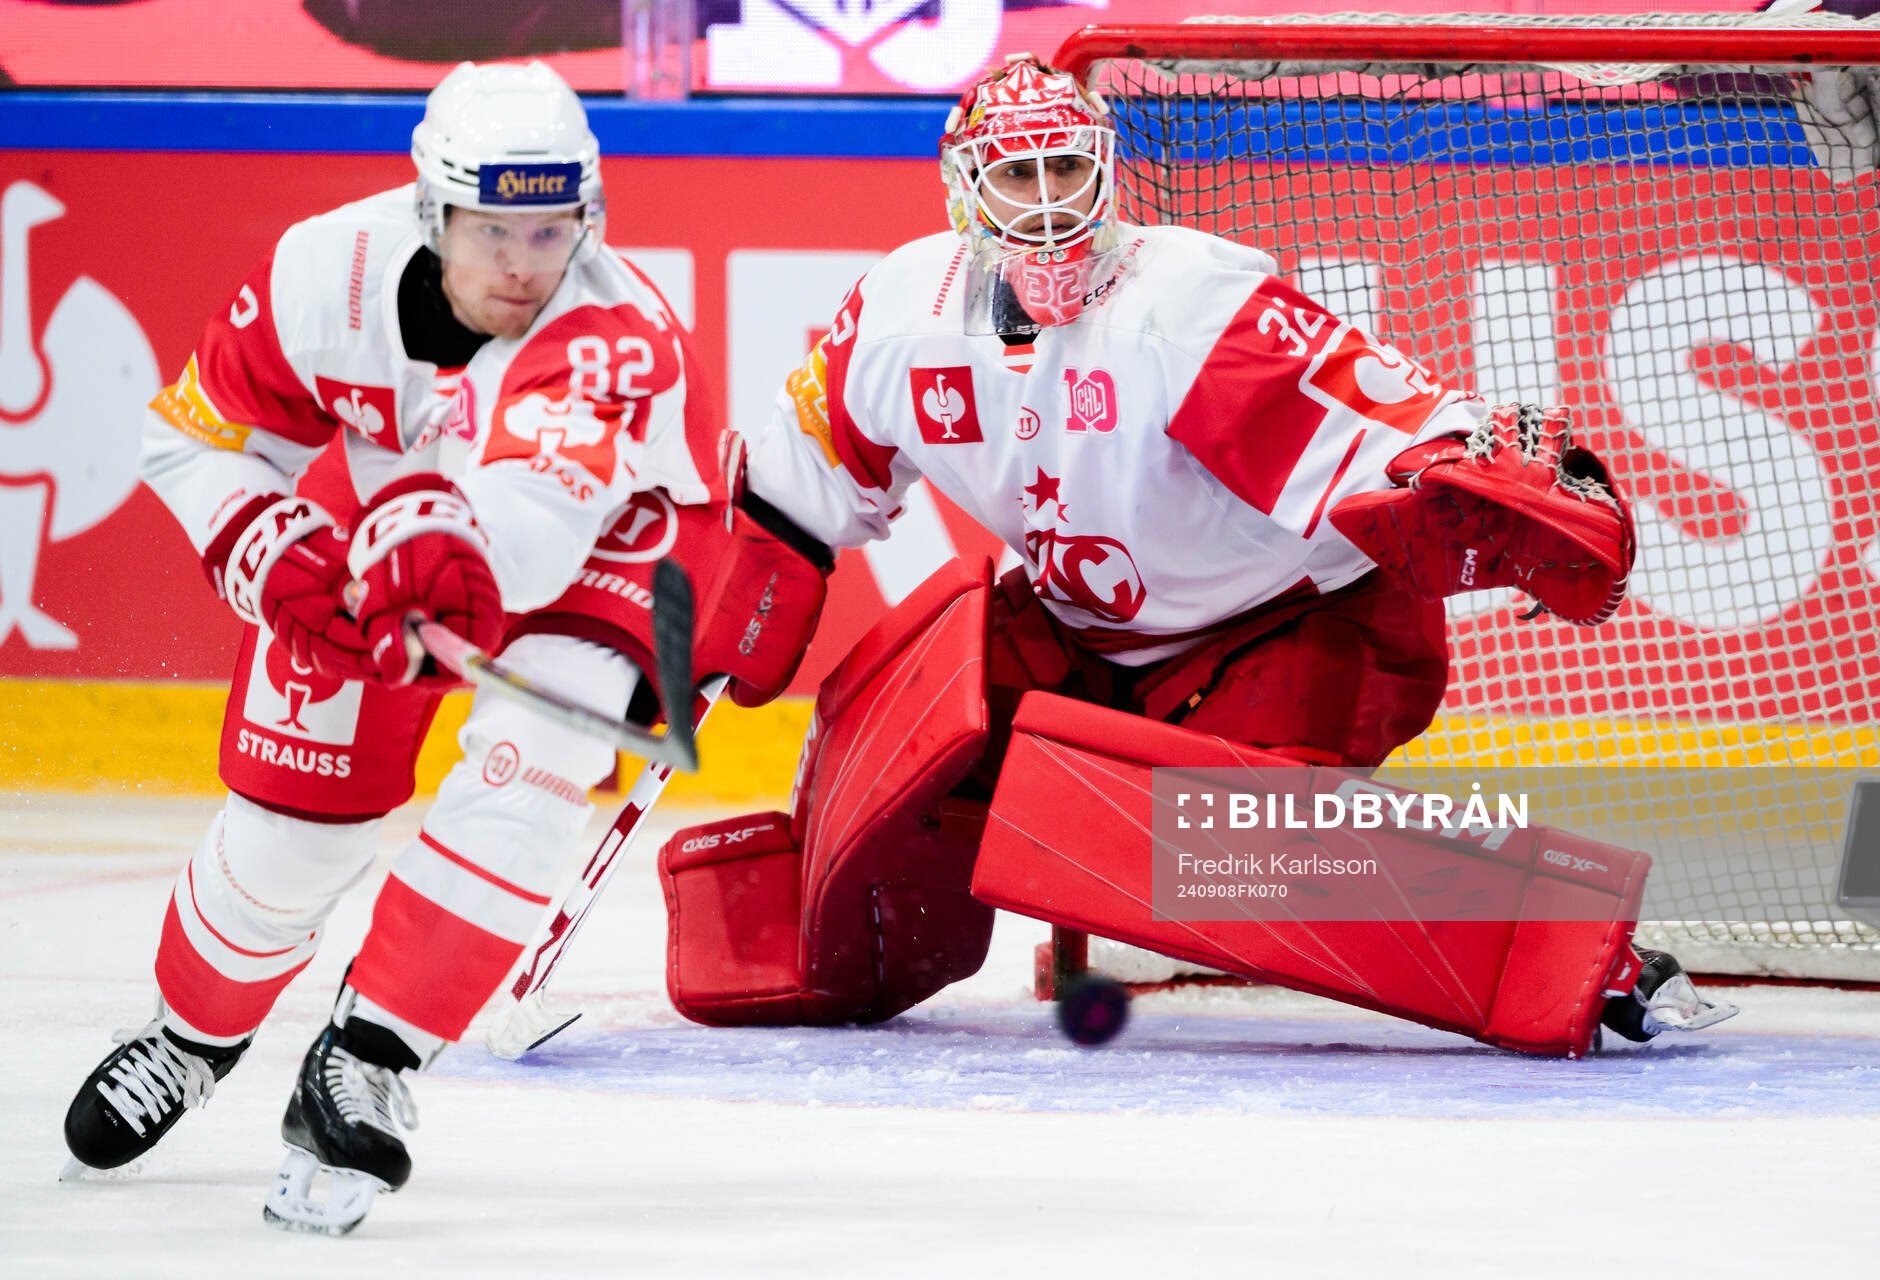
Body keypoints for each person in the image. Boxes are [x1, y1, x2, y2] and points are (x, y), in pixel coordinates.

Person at [656, 54, 1736, 1056]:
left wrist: (1459, 462)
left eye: (1068, 170)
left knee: (1209, 854)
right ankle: (808, 937)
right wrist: (742, 597)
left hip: (1293, 629)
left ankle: (1572, 952)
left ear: (1108, 175)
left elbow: (1371, 411)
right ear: (961, 194)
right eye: (1016, 178)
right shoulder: (902, 313)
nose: (1046, 205)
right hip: (1086, 633)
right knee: (916, 746)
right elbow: (801, 478)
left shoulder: (1184, 304)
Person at [60, 60, 826, 1232]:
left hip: (613, 543)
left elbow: (517, 546)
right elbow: (193, 433)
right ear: (432, 212)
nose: (526, 260)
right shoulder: (328, 272)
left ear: (590, 212)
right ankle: (190, 1031)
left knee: (529, 777)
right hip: (406, 534)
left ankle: (370, 1056)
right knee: (289, 834)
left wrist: (423, 547)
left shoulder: (611, 336)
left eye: (551, 224)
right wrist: (267, 538)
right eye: (493, 226)